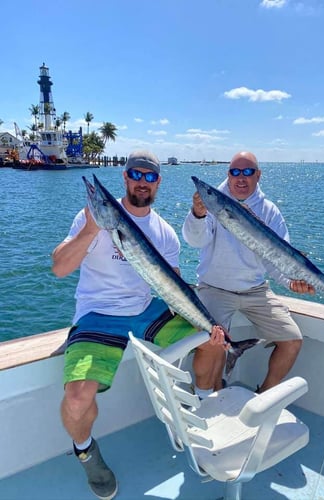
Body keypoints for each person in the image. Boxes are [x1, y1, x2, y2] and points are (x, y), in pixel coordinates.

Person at [52, 150, 226, 500]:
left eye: (150, 176)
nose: (142, 182)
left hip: (146, 309)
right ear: (125, 177)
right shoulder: (91, 218)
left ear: (157, 182)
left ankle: (205, 409)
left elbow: (173, 285)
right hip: (97, 314)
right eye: (136, 174)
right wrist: (90, 230)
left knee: (213, 340)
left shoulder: (164, 233)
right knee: (76, 397)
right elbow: (59, 267)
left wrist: (206, 324)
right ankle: (86, 451)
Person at [182, 150, 315, 394]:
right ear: (228, 174)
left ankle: (262, 396)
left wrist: (291, 282)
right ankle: (208, 395)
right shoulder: (213, 201)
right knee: (213, 341)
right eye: (235, 172)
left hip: (256, 291)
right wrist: (198, 215)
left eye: (247, 172)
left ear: (258, 176)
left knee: (292, 340)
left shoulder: (270, 211)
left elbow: (276, 257)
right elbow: (195, 240)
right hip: (214, 288)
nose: (241, 178)